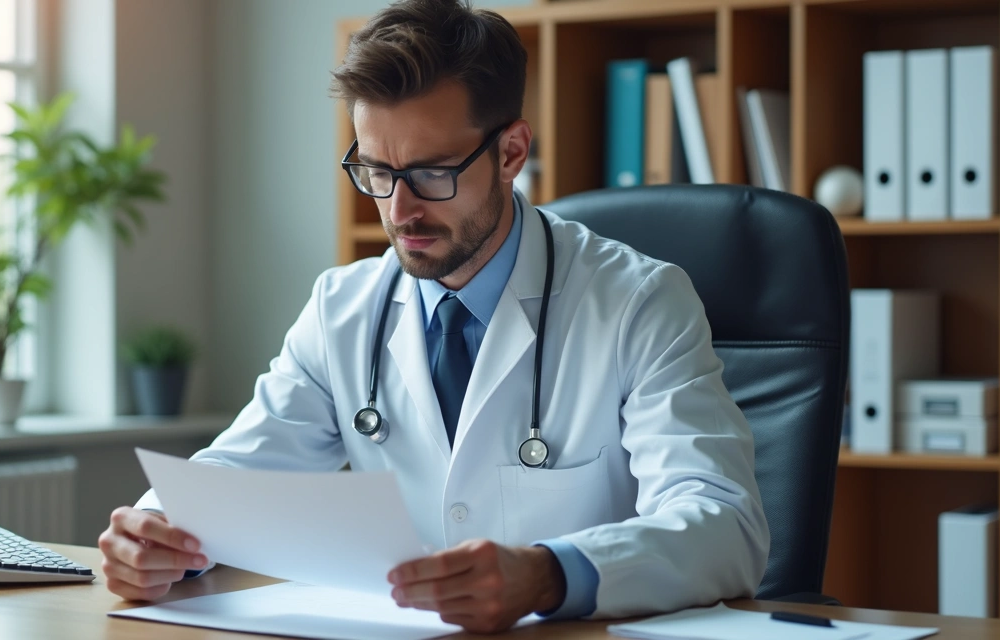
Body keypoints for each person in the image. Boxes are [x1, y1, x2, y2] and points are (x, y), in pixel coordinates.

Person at [98, 0, 770, 633]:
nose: (399, 210)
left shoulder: (640, 303)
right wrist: (157, 528)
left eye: (432, 172)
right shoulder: (343, 310)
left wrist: (547, 575)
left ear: (511, 152)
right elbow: (239, 472)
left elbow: (724, 524)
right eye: (376, 171)